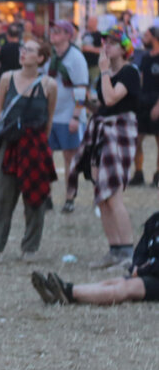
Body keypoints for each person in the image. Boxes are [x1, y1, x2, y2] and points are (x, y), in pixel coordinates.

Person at [69, 28, 142, 269]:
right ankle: (115, 249)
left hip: (120, 132)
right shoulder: (106, 74)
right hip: (102, 130)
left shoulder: (130, 72)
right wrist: (81, 101)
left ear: (124, 48)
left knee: (113, 194)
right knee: (102, 196)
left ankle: (128, 252)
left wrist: (102, 72)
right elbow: (102, 104)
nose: (106, 47)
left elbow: (112, 99)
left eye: (112, 43)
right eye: (105, 42)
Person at [0, 40, 58, 263]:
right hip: (10, 143)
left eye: (30, 50)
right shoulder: (7, 78)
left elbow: (49, 120)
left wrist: (44, 148)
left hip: (34, 145)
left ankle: (30, 248)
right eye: (22, 49)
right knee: (1, 196)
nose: (23, 52)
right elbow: (1, 113)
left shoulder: (49, 85)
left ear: (41, 58)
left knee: (35, 198)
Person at [43, 20, 91, 213]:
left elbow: (81, 89)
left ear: (68, 35)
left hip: (68, 116)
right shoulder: (50, 57)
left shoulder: (76, 58)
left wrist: (76, 116)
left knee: (69, 159)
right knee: (46, 156)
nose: (53, 33)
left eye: (58, 31)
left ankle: (70, 198)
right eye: (53, 30)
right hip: (50, 116)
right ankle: (46, 196)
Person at [128, 25, 159, 188]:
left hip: (156, 102)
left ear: (155, 37)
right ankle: (138, 173)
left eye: (146, 35)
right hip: (144, 102)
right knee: (137, 139)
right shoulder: (146, 57)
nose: (143, 38)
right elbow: (141, 78)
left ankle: (157, 175)